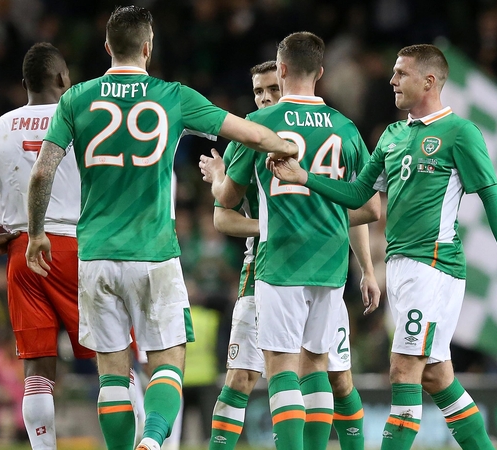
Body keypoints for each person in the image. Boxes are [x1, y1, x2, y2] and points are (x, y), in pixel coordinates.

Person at [23, 7, 296, 450]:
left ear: (108, 47)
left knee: (112, 372)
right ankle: (151, 442)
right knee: (168, 362)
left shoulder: (75, 100)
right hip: (154, 253)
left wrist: (36, 232)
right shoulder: (172, 96)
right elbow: (247, 133)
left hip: (95, 254)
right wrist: (286, 145)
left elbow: (41, 173)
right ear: (148, 48)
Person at [270, 44, 497, 450]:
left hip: (434, 265)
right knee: (436, 375)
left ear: (428, 81)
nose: (391, 80)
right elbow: (358, 194)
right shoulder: (392, 135)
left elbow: (491, 195)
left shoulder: (460, 133)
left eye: (400, 73)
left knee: (403, 369)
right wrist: (305, 178)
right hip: (402, 267)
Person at [0, 43, 137, 450]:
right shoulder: (85, 120)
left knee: (37, 370)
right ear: (64, 79)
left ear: (24, 83)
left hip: (22, 252)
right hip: (79, 248)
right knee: (114, 363)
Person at [204, 32, 380, 450]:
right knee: (316, 364)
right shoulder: (346, 127)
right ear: (321, 72)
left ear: (281, 71)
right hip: (331, 262)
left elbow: (227, 201)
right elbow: (371, 207)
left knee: (281, 366)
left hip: (280, 258)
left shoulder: (258, 126)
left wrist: (216, 180)